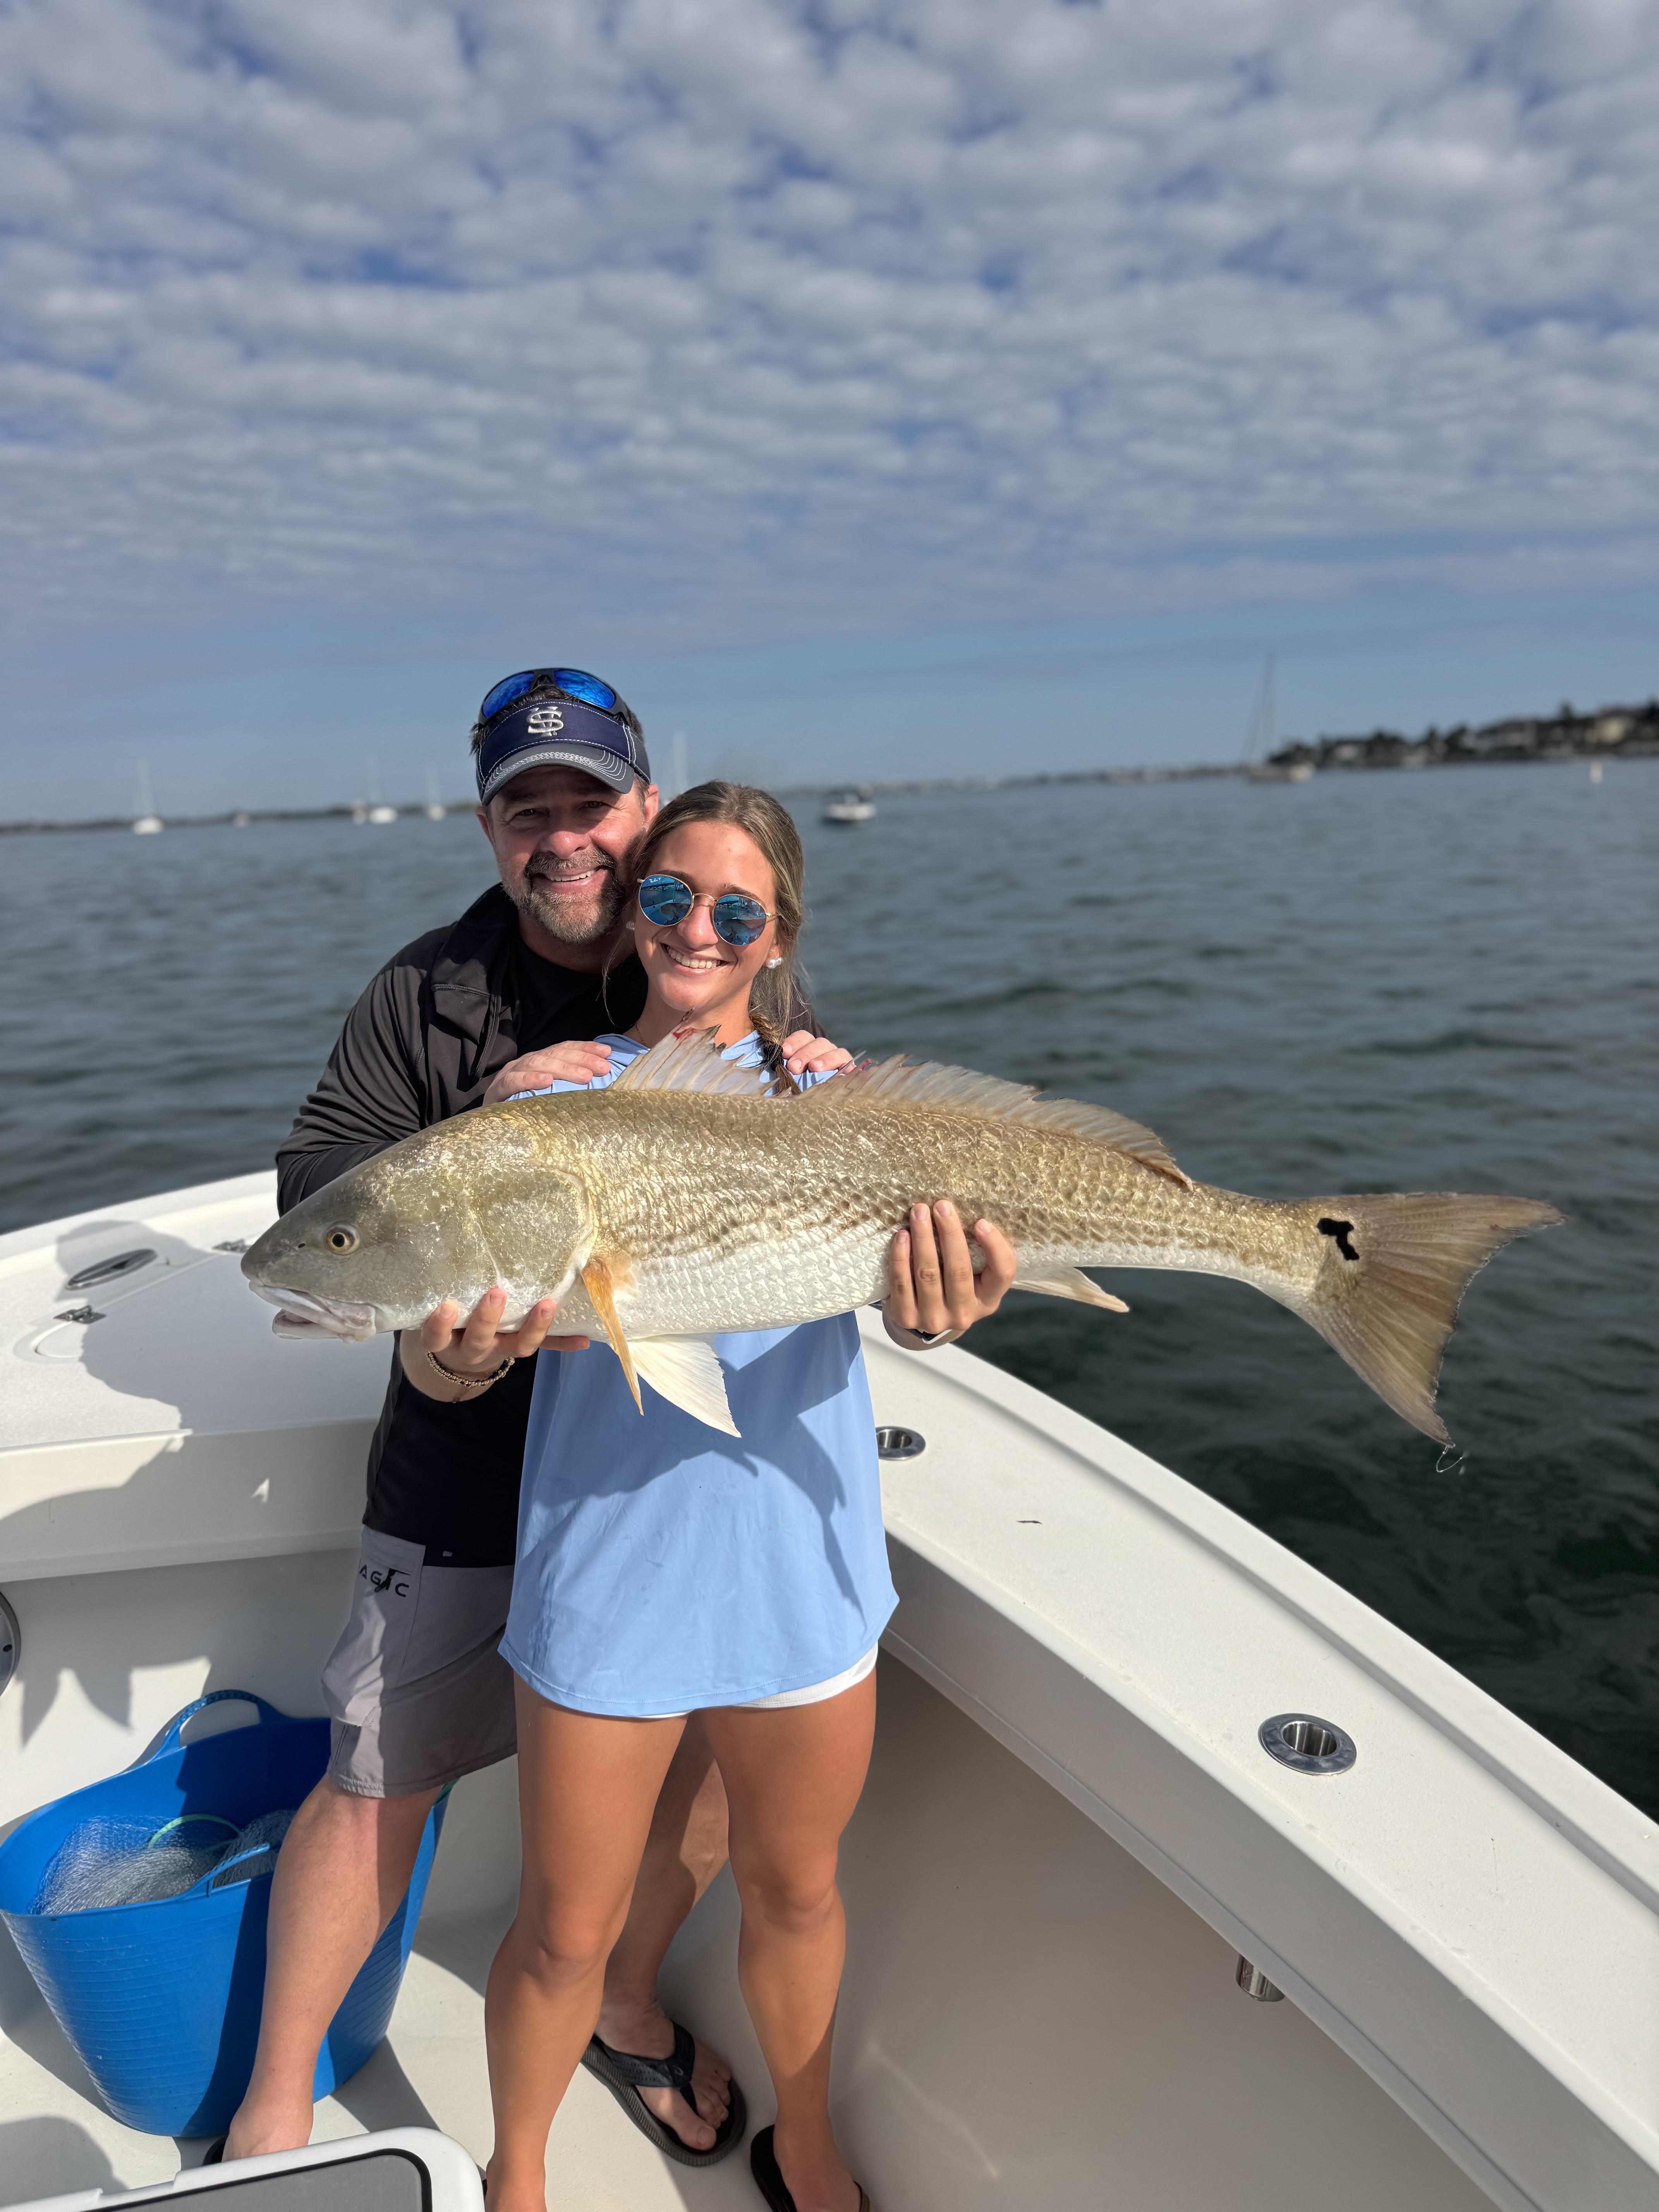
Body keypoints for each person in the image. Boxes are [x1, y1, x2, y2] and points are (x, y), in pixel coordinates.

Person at [226, 670, 854, 2165]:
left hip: (660, 1480)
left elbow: (816, 1193)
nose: (564, 839)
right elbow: (315, 1191)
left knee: (702, 1789)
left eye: (591, 805)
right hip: (464, 1451)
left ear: (645, 811)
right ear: (490, 828)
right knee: (378, 1771)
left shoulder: (719, 958)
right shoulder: (426, 992)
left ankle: (628, 2004)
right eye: (529, 810)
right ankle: (273, 2107)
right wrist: (490, 1120)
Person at [484, 782, 1017, 2212]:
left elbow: (903, 1303)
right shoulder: (553, 1101)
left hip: (797, 1558)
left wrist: (935, 1314)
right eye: (668, 898)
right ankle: (515, 2176)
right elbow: (479, 1319)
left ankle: (810, 2135)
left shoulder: (839, 1103)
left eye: (736, 909)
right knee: (562, 1930)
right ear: (631, 915)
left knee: (794, 1887)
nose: (698, 930)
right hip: (608, 1568)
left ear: (777, 935)